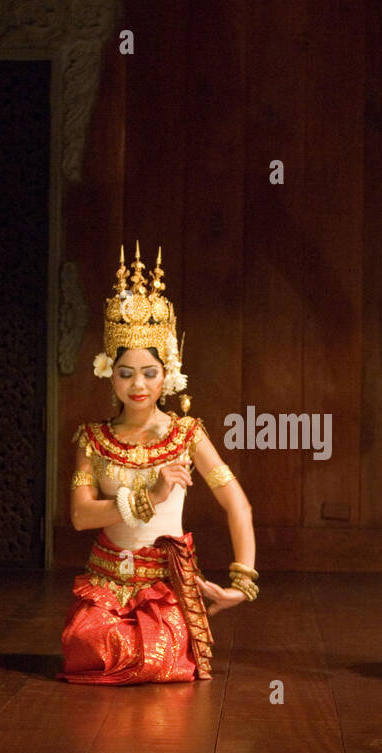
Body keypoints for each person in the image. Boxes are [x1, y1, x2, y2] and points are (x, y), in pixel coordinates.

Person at [60, 243, 256, 684]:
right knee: (85, 644)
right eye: (125, 372)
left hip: (163, 585)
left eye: (150, 372)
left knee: (158, 655)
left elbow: (238, 505)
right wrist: (147, 497)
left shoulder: (187, 434)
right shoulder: (92, 438)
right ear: (108, 373)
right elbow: (78, 516)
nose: (138, 385)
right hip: (106, 584)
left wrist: (241, 583)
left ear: (168, 373)